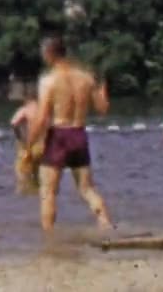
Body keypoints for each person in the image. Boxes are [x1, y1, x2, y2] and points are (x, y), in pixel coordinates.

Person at [24, 36, 113, 231]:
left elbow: (41, 118)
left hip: (59, 135)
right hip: (79, 134)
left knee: (48, 192)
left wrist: (28, 144)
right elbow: (103, 109)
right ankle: (106, 223)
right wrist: (103, 90)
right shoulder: (86, 77)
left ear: (49, 54)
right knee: (87, 188)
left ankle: (49, 239)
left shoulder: (48, 80)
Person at [10, 91, 46, 194]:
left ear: (27, 100)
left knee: (22, 173)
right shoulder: (45, 110)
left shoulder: (26, 109)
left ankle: (27, 200)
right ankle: (38, 196)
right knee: (38, 176)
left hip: (30, 147)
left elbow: (14, 123)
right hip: (45, 147)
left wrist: (20, 138)